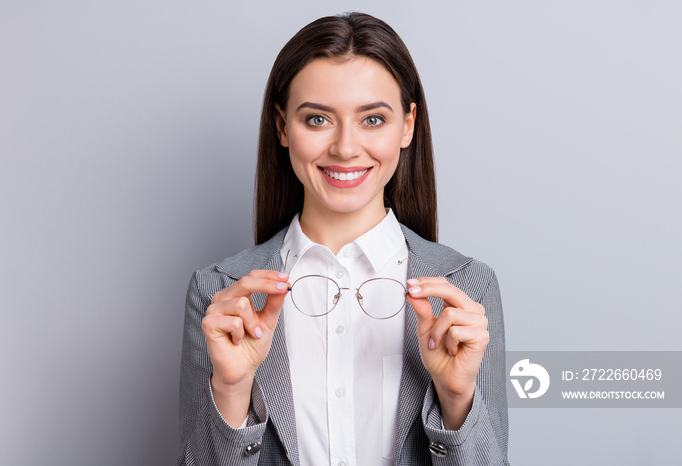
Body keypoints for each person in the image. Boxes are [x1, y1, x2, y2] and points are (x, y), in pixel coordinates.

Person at [177, 12, 509, 466]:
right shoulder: (218, 293)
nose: (346, 148)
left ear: (407, 125)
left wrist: (456, 402)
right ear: (282, 126)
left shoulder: (468, 288)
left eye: (373, 119)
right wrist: (232, 392)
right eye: (317, 119)